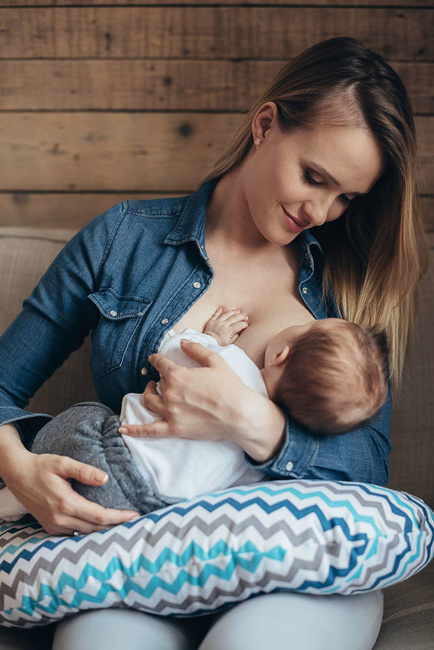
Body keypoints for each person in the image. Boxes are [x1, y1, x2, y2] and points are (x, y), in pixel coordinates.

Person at [0, 36, 428, 650]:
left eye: (346, 198)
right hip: (139, 549)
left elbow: (370, 472)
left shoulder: (350, 284)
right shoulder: (123, 241)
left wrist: (260, 425)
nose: (322, 211)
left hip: (297, 569)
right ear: (265, 124)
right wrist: (20, 469)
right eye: (314, 176)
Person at [0, 307, 389, 520]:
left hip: (105, 451)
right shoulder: (252, 465)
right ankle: (25, 487)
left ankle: (17, 500)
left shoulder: (233, 366)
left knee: (85, 414)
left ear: (282, 353)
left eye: (306, 324)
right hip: (151, 512)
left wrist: (213, 339)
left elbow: (174, 351)